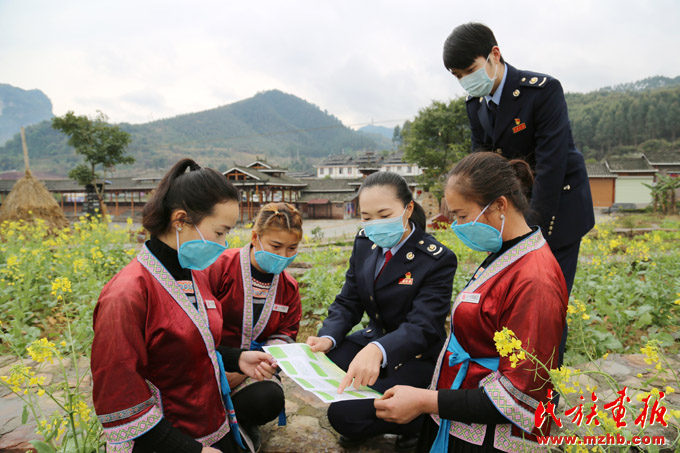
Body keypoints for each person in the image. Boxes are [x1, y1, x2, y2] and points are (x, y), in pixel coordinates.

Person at [374, 152, 568, 452]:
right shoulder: (507, 252)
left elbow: (518, 395)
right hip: (458, 408)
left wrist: (424, 401)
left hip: (485, 436)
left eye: (463, 216)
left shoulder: (535, 280)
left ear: (500, 205)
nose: (458, 226)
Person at [91, 159, 277, 453]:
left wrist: (236, 358)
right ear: (180, 220)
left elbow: (190, 343)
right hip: (162, 438)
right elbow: (120, 393)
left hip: (209, 419)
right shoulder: (126, 294)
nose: (224, 243)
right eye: (219, 232)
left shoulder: (193, 272)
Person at [306, 171, 458, 451]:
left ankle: (415, 421)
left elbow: (423, 326)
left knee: (342, 415)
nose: (374, 224)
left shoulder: (436, 259)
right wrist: (328, 336)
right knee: (325, 365)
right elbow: (348, 301)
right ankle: (378, 412)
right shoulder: (365, 243)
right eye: (366, 216)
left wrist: (378, 350)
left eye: (383, 214)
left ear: (408, 209)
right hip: (372, 340)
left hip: (415, 355)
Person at [442, 22, 594, 296]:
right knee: (515, 296)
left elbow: (551, 167)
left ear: (495, 55)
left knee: (548, 297)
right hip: (512, 213)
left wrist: (528, 235)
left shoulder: (541, 91)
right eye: (458, 76)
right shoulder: (475, 105)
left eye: (471, 70)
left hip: (556, 208)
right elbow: (483, 163)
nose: (466, 80)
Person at [204, 202, 303, 449]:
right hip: (209, 363)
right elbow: (197, 321)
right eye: (275, 246)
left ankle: (240, 422)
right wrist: (226, 366)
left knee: (269, 398)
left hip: (253, 369)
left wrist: (258, 362)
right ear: (255, 237)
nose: (283, 256)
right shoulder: (220, 266)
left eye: (292, 248)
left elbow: (285, 334)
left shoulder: (288, 287)